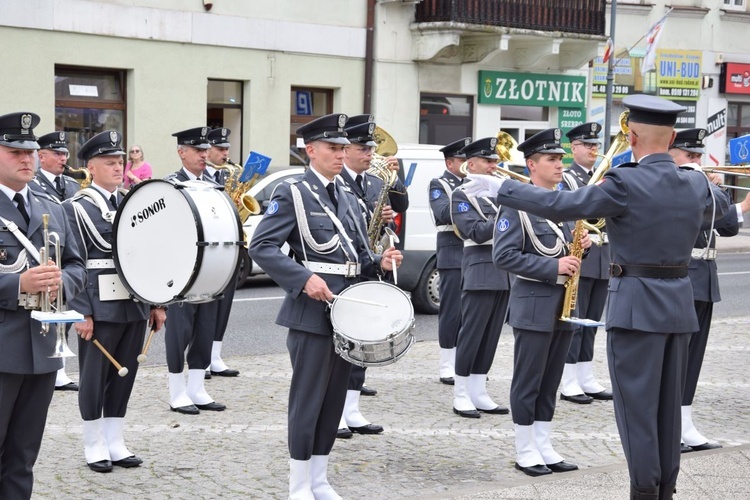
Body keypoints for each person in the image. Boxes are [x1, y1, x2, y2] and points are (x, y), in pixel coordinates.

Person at [466, 95, 731, 499]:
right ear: (674, 136)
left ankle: (644, 491)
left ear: (631, 135)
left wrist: (504, 187)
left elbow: (560, 205)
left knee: (637, 411)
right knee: (666, 411)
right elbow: (726, 213)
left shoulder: (625, 183)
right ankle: (666, 490)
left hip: (636, 308)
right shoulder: (695, 183)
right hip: (679, 307)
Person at [248, 113, 402, 499]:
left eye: (342, 148)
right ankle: (298, 483)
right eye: (333, 148)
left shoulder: (348, 194)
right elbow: (262, 246)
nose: (340, 154)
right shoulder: (293, 192)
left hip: (348, 310)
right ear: (311, 150)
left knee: (334, 399)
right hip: (312, 312)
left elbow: (358, 252)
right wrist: (301, 278)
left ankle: (320, 478)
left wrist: (379, 262)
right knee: (308, 399)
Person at [63, 130, 167, 473]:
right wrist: (80, 311)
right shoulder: (75, 208)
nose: (118, 167)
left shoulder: (131, 203)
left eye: (120, 162)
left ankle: (115, 440)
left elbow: (149, 256)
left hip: (133, 301)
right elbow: (72, 262)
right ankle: (94, 443)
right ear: (91, 166)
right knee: (95, 376)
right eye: (109, 162)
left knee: (125, 373)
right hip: (98, 303)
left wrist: (156, 302)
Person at [488, 128, 587, 476]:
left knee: (551, 378)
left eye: (561, 158)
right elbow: (504, 256)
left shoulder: (565, 203)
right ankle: (524, 447)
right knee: (528, 378)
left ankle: (544, 443)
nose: (560, 165)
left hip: (564, 301)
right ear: (531, 164)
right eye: (551, 159)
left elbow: (566, 248)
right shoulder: (516, 205)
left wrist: (580, 247)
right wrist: (553, 265)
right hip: (533, 301)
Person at [0, 112, 86, 499]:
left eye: (31, 151)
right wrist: (18, 282)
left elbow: (76, 264)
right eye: (15, 150)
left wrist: (60, 284)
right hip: (2, 349)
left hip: (42, 348)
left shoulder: (51, 206)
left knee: (23, 454)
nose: (27, 159)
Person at [668, 128, 750, 453]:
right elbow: (697, 218)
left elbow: (727, 227)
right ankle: (670, 425)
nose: (696, 161)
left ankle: (685, 422)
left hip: (705, 277)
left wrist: (724, 196)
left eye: (699, 156)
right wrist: (727, 200)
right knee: (677, 356)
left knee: (694, 358)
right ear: (672, 154)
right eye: (690, 156)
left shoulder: (702, 187)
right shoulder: (674, 185)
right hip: (683, 276)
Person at [335, 114, 408, 438]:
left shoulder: (376, 182)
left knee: (363, 339)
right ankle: (335, 412)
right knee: (340, 343)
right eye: (363, 148)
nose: (369, 153)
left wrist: (389, 222)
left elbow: (388, 218)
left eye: (370, 148)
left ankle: (352, 409)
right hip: (345, 271)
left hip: (371, 266)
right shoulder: (336, 180)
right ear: (346, 150)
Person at [163, 127, 227, 415]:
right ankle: (177, 390)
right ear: (181, 152)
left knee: (204, 328)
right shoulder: (170, 185)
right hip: (180, 268)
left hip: (210, 268)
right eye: (197, 150)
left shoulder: (214, 184)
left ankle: (197, 388)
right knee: (179, 331)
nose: (204, 155)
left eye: (205, 150)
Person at [450, 137, 511, 419]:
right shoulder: (463, 194)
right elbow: (474, 231)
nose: (493, 166)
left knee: (491, 336)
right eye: (487, 161)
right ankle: (460, 391)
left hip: (504, 270)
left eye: (495, 161)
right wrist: (506, 211)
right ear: (470, 164)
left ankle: (478, 389)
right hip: (480, 268)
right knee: (472, 333)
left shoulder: (502, 191)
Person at [558, 122, 612, 404]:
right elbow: (569, 210)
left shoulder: (605, 177)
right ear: (573, 148)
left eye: (595, 145)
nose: (593, 149)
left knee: (592, 320)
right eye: (587, 145)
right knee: (576, 321)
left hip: (603, 256)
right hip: (581, 253)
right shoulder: (567, 179)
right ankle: (568, 380)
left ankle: (586, 376)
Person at [29, 131, 82, 391]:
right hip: (44, 253)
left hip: (67, 251)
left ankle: (60, 367)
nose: (63, 158)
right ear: (42, 156)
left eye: (65, 154)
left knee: (67, 313)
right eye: (58, 153)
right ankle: (52, 367)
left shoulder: (72, 185)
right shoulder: (33, 182)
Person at [429, 137, 470, 385]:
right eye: (463, 160)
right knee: (452, 311)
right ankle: (447, 364)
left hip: (476, 254)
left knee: (472, 313)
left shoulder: (474, 183)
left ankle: (465, 363)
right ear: (450, 162)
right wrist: (468, 195)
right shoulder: (440, 184)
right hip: (453, 252)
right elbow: (443, 213)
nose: (467, 164)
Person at [204, 127, 240, 378]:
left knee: (224, 304)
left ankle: (215, 355)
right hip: (205, 248)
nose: (225, 153)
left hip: (228, 246)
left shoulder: (228, 177)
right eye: (220, 149)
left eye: (227, 149)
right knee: (203, 307)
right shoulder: (199, 178)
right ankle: (200, 358)